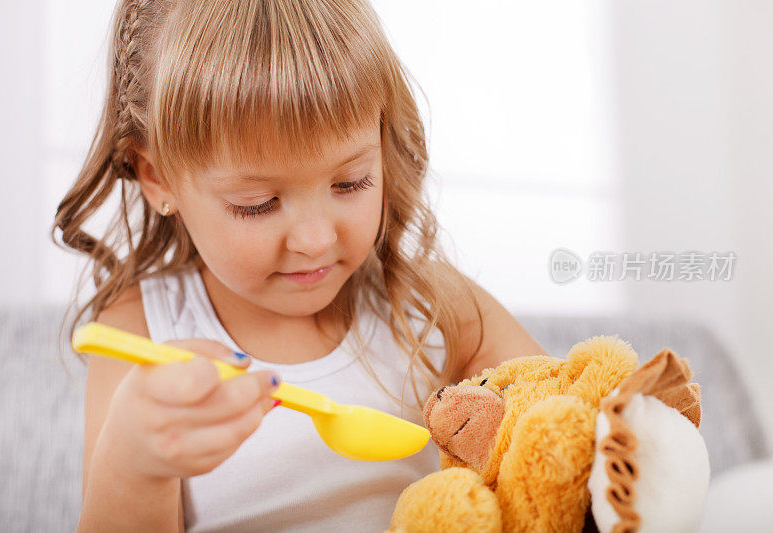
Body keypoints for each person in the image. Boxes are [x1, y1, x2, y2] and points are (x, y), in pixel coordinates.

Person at [51, 0, 548, 531]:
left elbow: (569, 424)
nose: (315, 240)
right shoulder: (144, 331)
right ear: (157, 177)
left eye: (350, 182)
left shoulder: (435, 307)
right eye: (257, 203)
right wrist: (135, 462)